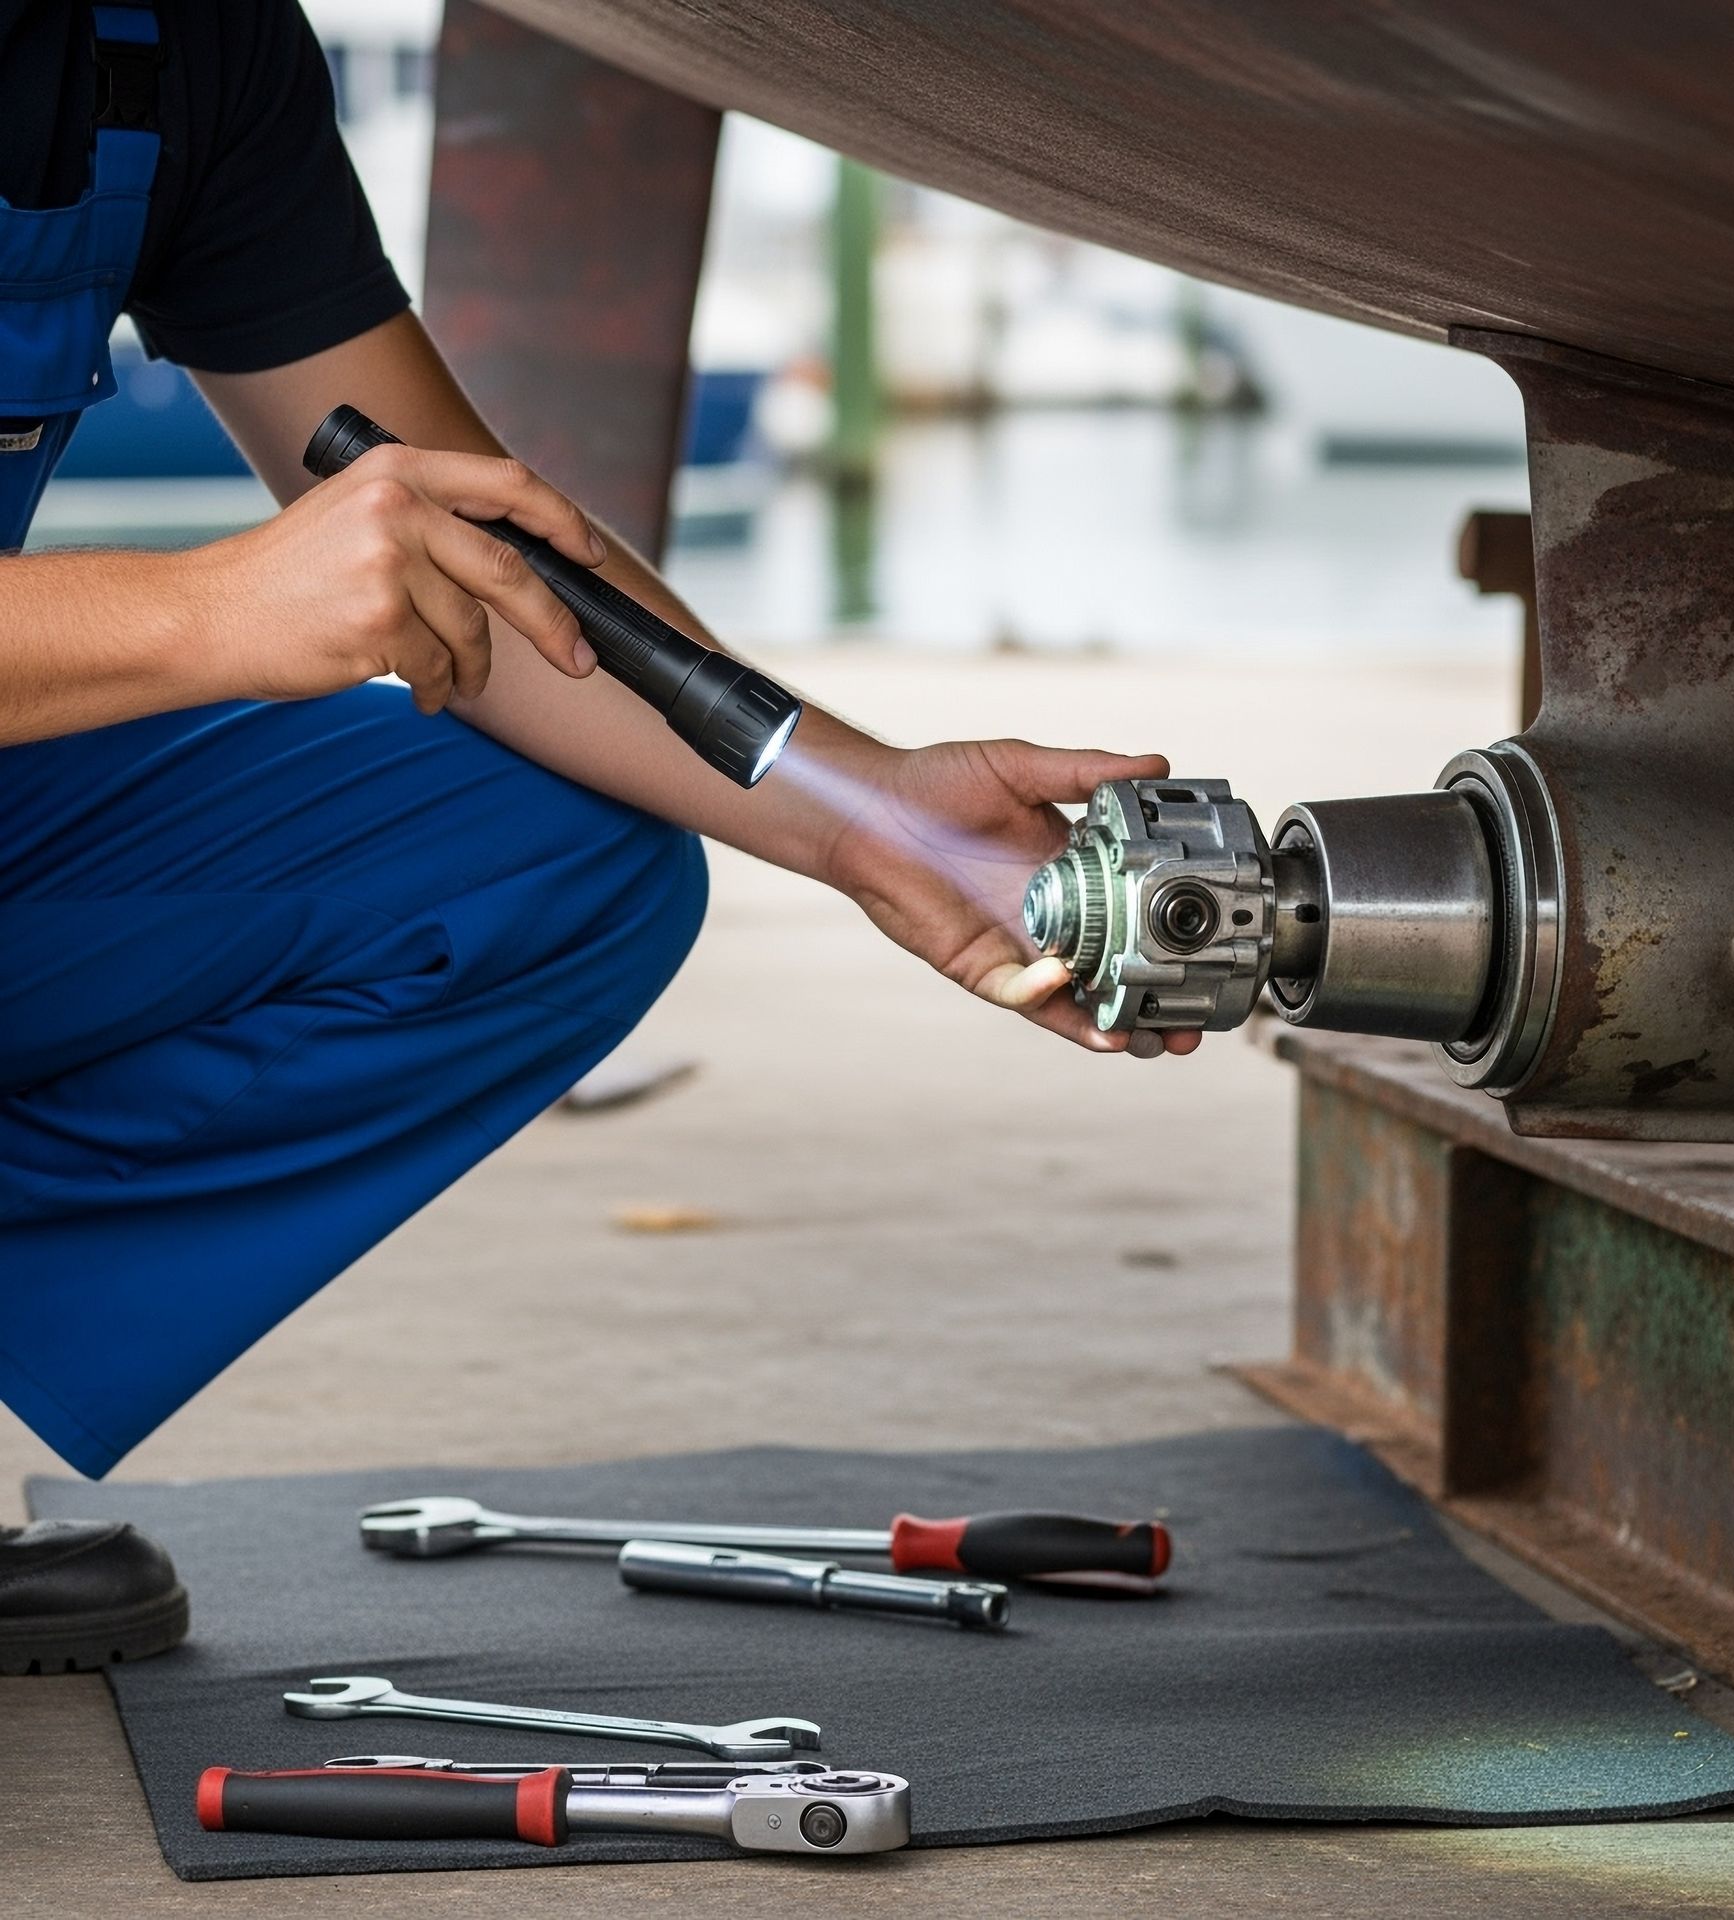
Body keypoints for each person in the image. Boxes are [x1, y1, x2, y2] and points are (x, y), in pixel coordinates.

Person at [0, 0, 1195, 1674]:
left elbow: (498, 572)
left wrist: (866, 815)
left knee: (533, 860)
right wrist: (201, 612)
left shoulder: (179, 43)